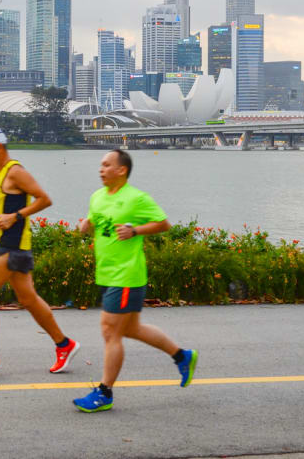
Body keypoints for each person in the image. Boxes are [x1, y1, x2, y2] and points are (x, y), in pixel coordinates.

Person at [73, 149, 197, 413]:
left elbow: (163, 223)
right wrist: (86, 225)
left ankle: (104, 392)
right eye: (101, 165)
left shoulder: (137, 198)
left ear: (122, 170)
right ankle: (182, 356)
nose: (101, 169)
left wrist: (135, 230)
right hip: (106, 273)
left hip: (127, 275)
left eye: (107, 165)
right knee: (130, 329)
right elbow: (95, 220)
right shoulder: (97, 197)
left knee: (110, 331)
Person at [0, 128, 79, 375]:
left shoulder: (15, 171)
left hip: (11, 246)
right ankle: (64, 344)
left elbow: (44, 199)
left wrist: (16, 216)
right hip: (10, 245)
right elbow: (2, 208)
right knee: (29, 300)